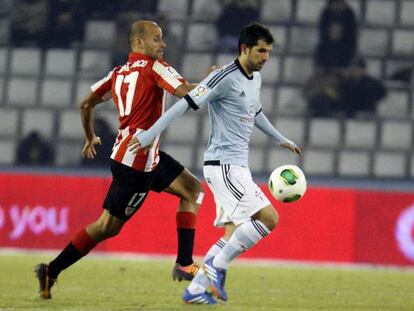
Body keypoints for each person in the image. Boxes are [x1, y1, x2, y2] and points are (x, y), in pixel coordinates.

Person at [128, 23, 302, 304]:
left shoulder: (254, 78)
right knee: (269, 218)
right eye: (261, 51)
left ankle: (196, 290)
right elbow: (185, 103)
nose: (266, 58)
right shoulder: (223, 77)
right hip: (223, 166)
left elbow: (255, 111)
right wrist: (150, 133)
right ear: (244, 48)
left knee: (232, 235)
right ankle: (215, 267)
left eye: (269, 52)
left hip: (236, 165)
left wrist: (279, 137)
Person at [35, 20, 205, 299]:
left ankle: (184, 263)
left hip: (137, 155)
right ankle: (51, 270)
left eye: (162, 40)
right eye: (157, 39)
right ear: (139, 43)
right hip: (136, 164)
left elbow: (86, 103)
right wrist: (217, 84)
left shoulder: (118, 73)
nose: (162, 45)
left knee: (192, 189)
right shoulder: (155, 68)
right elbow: (185, 92)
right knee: (106, 227)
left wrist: (90, 136)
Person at [315, 0, 357, 71]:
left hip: (344, 60)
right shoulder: (326, 13)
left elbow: (352, 41)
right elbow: (322, 39)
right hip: (327, 62)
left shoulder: (349, 14)